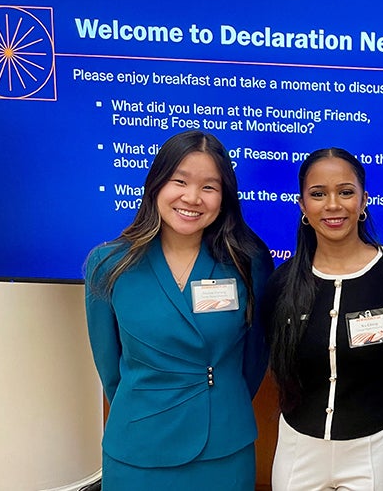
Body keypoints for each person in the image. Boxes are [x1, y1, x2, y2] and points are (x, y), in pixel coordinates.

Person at [85, 130, 273, 490]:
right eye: (180, 181)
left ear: (224, 197)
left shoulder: (248, 261)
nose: (192, 197)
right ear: (156, 184)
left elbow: (254, 357)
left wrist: (217, 398)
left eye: (209, 187)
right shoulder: (109, 264)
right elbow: (110, 370)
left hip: (223, 445)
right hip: (139, 445)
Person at [263, 147, 383, 490]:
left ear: (364, 200)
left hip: (374, 446)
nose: (333, 205)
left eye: (346, 192)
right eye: (318, 194)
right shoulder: (282, 283)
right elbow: (279, 365)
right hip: (299, 446)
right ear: (303, 206)